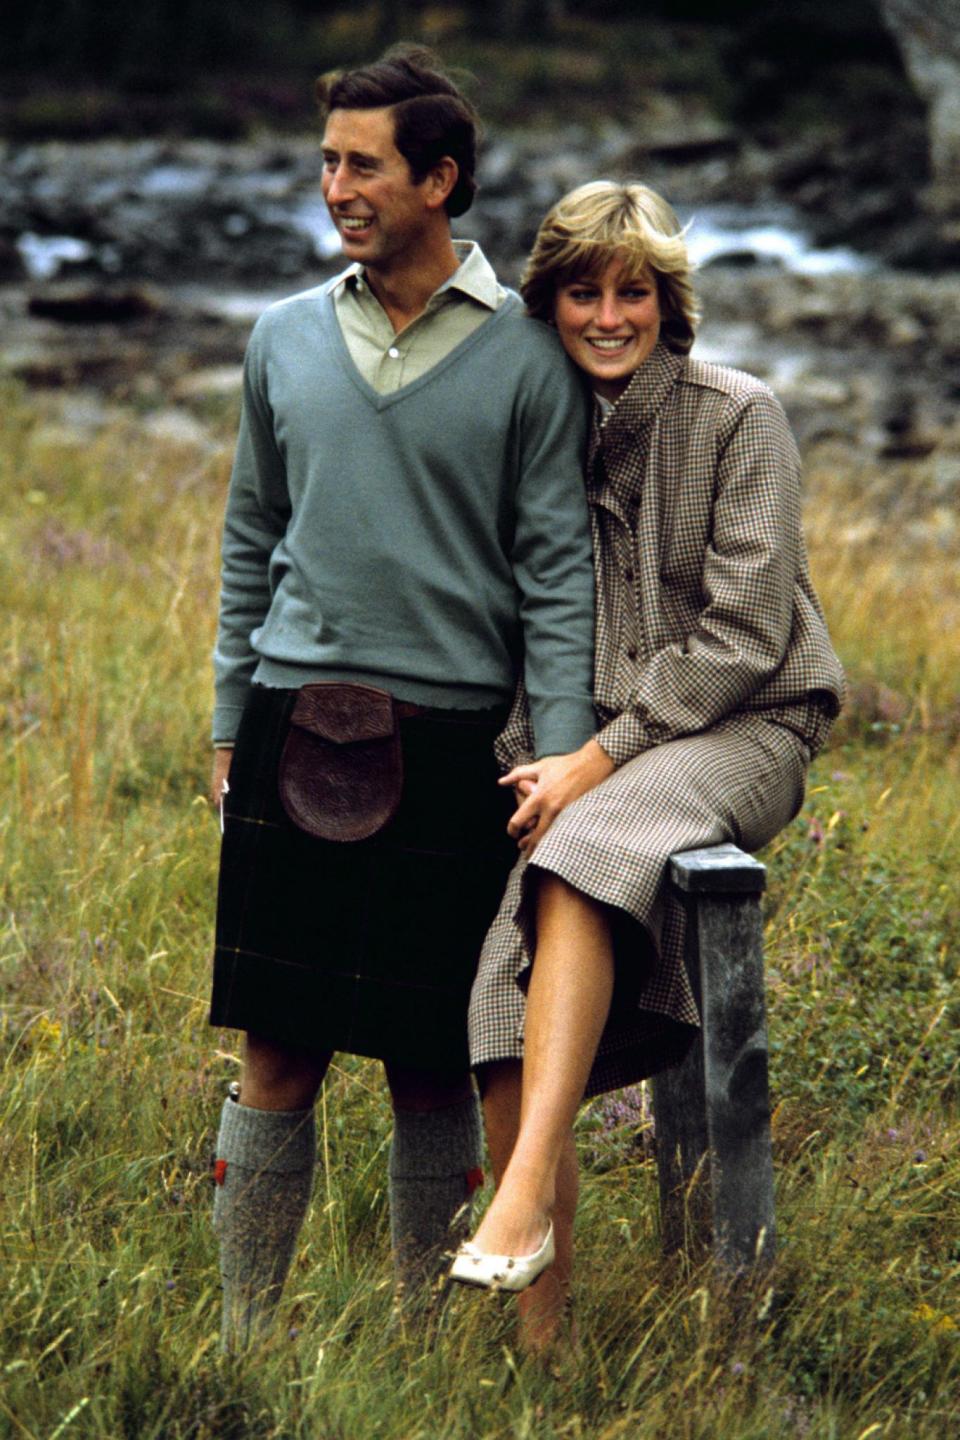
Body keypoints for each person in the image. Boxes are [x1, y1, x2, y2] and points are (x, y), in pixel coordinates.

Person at [206, 48, 598, 1349]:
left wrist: (560, 764)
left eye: (362, 164)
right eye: (328, 162)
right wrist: (226, 721)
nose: (335, 188)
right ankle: (246, 1342)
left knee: (434, 1066)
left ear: (439, 177)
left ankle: (426, 1346)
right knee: (278, 1053)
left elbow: (554, 576)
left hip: (454, 754)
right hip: (293, 723)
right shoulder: (281, 338)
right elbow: (249, 537)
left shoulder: (529, 362)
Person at [453, 180, 845, 1351]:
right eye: (584, 291)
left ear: (671, 304)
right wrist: (539, 760)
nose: (609, 316)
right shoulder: (537, 431)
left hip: (746, 728)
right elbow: (512, 622)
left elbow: (742, 636)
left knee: (586, 847)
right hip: (590, 759)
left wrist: (597, 759)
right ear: (550, 303)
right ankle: (544, 1351)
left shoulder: (740, 414)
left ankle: (514, 1201)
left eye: (634, 291)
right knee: (494, 1006)